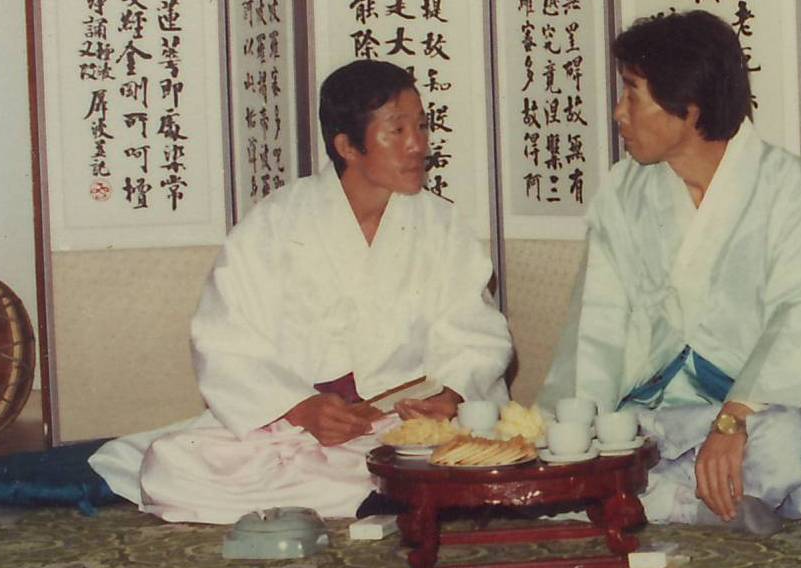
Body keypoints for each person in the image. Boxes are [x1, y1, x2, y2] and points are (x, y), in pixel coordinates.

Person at [89, 60, 513, 523]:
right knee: (171, 464)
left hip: (402, 424)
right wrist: (300, 407)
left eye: (422, 127)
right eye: (397, 130)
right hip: (295, 428)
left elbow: (475, 332)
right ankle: (385, 496)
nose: (418, 145)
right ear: (347, 146)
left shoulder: (442, 226)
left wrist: (451, 394)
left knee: (463, 450)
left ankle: (384, 492)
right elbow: (226, 337)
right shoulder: (277, 221)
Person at [540, 9, 801, 532]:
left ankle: (644, 499)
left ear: (687, 107)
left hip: (752, 414)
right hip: (656, 417)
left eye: (632, 94)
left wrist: (734, 421)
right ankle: (694, 502)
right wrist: (575, 431)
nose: (619, 113)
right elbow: (596, 324)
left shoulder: (789, 190)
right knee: (584, 443)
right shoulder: (623, 191)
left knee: (792, 443)